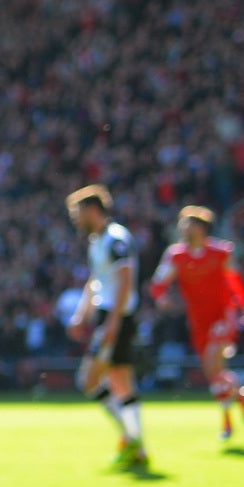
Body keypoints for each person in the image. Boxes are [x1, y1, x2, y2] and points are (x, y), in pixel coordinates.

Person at [149, 205, 244, 441]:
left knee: (212, 363)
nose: (182, 229)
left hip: (222, 316)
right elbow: (158, 284)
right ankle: (242, 395)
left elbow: (234, 280)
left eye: (187, 225)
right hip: (198, 322)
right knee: (215, 372)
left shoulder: (221, 252)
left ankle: (227, 423)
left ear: (200, 228)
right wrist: (161, 298)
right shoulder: (175, 255)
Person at [66, 185, 149, 471]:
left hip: (118, 317)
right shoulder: (97, 241)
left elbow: (125, 280)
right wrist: (82, 313)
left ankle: (131, 439)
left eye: (78, 213)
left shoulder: (116, 239)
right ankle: (136, 445)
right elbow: (96, 280)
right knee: (121, 381)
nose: (76, 219)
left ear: (92, 210)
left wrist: (112, 322)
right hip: (110, 315)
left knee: (89, 380)